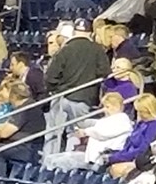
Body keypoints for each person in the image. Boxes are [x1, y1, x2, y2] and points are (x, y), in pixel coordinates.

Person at [43, 18, 110, 155]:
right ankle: (69, 162)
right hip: (83, 98)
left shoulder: (65, 49)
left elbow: (50, 76)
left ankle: (48, 161)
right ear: (90, 33)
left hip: (62, 97)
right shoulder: (97, 49)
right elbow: (105, 72)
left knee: (54, 133)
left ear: (74, 32)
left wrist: (57, 89)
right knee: (78, 134)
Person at [0, 82, 45, 180]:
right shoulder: (25, 106)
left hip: (28, 148)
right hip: (19, 145)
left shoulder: (27, 107)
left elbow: (4, 133)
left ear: (14, 96)